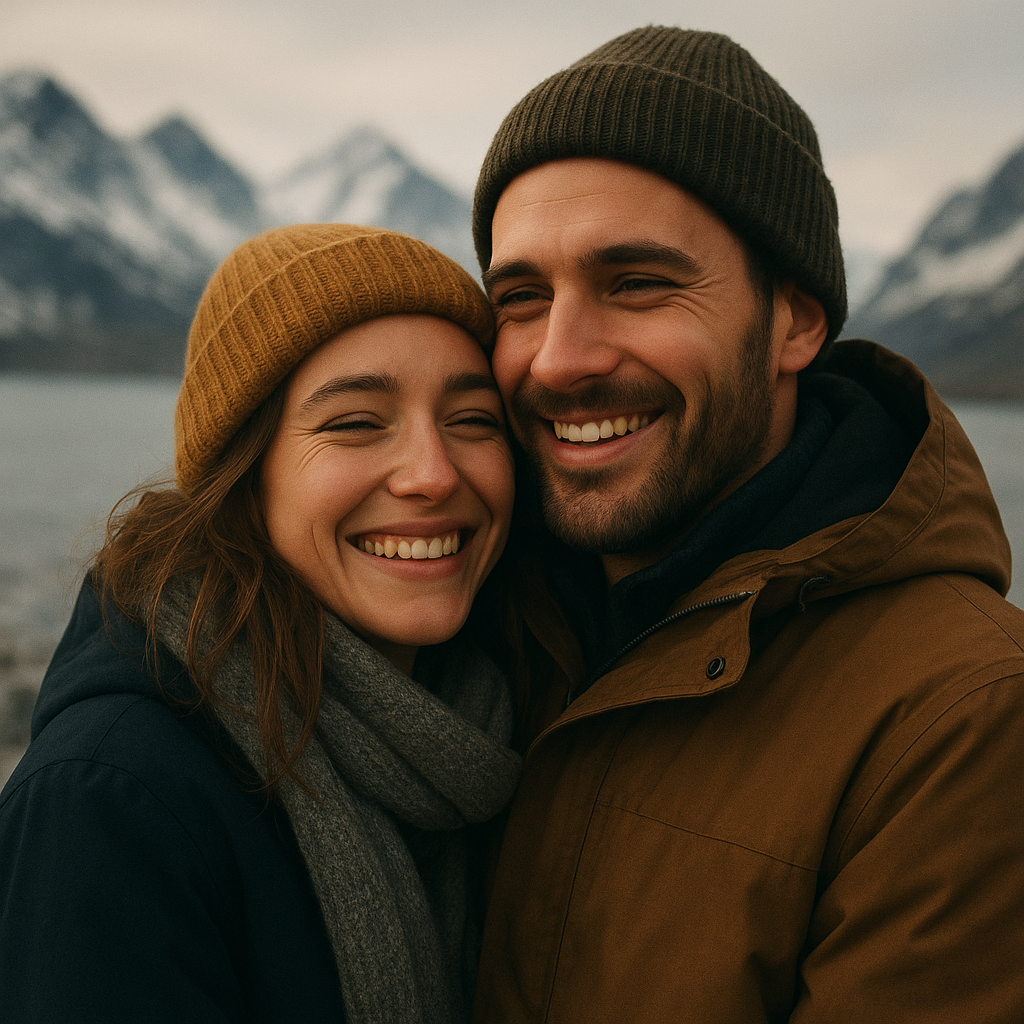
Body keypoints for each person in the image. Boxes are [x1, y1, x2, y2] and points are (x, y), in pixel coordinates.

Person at [469, 26, 1024, 1023]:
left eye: (637, 283)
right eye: (521, 297)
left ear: (794, 322)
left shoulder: (966, 722)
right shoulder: (469, 613)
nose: (557, 358)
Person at [0, 223, 521, 1024]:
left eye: (474, 420)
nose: (433, 473)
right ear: (245, 477)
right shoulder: (112, 805)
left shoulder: (499, 723)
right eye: (355, 422)